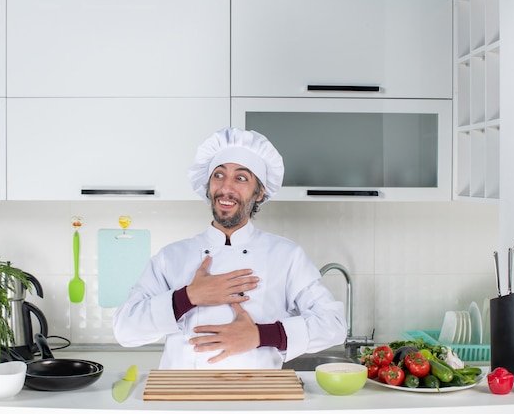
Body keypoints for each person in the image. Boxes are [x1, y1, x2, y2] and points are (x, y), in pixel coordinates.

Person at [113, 127, 345, 369]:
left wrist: (261, 335)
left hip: (254, 399)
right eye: (219, 175)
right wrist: (187, 297)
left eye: (241, 178)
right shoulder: (171, 257)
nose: (226, 187)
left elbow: (334, 324)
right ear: (208, 184)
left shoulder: (286, 256)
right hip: (184, 398)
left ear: (259, 192)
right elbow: (124, 329)